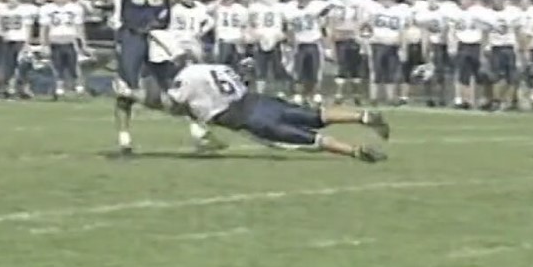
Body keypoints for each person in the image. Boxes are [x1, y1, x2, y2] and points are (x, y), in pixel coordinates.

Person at [64, 0, 194, 155]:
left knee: (174, 87)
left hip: (159, 34)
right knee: (125, 87)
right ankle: (124, 139)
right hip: (132, 32)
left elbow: (188, 0)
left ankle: (198, 130)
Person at [165, 59, 389, 163]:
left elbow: (175, 103)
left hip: (248, 119)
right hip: (259, 101)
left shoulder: (186, 76)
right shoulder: (217, 67)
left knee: (308, 139)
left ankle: (356, 151)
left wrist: (188, 110)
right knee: (314, 114)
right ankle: (363, 116)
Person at [38, 0, 88, 98]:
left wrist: (83, 43)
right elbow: (44, 28)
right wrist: (43, 44)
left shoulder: (76, 8)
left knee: (74, 66)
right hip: (54, 40)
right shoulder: (46, 9)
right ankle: (59, 88)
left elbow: (79, 27)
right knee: (57, 66)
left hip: (70, 40)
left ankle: (79, 87)